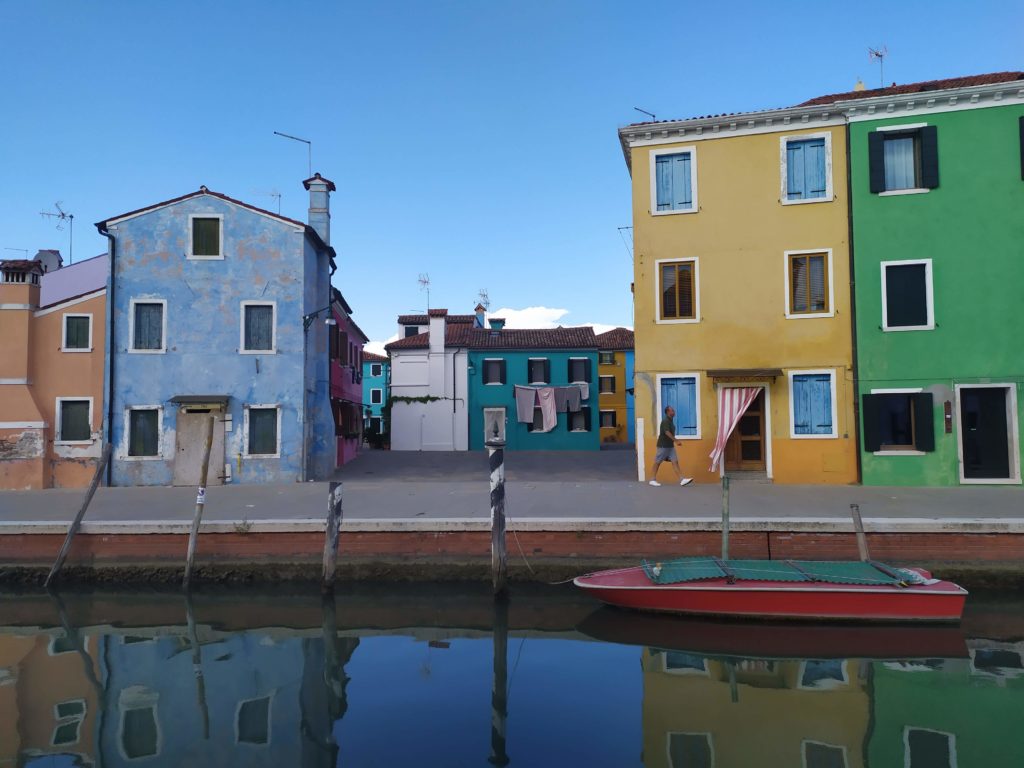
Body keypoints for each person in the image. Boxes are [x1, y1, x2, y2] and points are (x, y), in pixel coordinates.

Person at [649, 405, 693, 487]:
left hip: (670, 446)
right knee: (657, 462)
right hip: (663, 445)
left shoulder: (670, 421)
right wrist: (676, 441)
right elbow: (667, 432)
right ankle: (652, 479)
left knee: (675, 462)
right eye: (672, 411)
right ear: (668, 412)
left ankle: (682, 479)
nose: (674, 412)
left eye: (673, 410)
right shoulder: (665, 421)